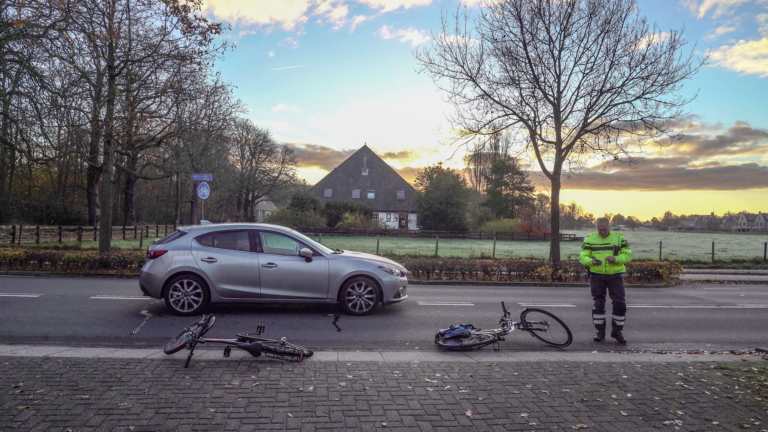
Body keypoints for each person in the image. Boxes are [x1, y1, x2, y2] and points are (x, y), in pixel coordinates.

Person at [579, 218, 632, 344]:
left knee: (620, 303)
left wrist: (616, 258)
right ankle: (600, 332)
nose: (602, 232)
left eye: (605, 229)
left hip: (615, 276)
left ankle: (617, 331)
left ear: (609, 226)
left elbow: (628, 255)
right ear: (596, 228)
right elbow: (582, 257)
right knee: (598, 304)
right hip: (597, 275)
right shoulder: (589, 239)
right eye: (600, 230)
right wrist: (591, 261)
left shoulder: (619, 238)